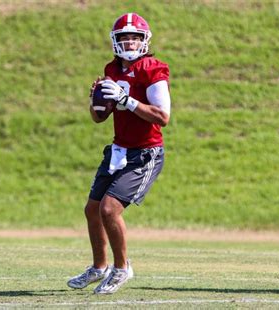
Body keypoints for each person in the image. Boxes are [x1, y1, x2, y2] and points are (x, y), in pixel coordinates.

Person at [67, 12, 171, 294]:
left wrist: (127, 100)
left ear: (145, 41)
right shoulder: (112, 70)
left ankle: (122, 268)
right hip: (118, 149)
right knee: (92, 209)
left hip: (146, 152)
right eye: (124, 37)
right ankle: (99, 267)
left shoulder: (153, 69)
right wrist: (95, 102)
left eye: (135, 37)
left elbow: (162, 117)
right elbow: (99, 118)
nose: (130, 42)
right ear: (115, 40)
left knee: (109, 209)